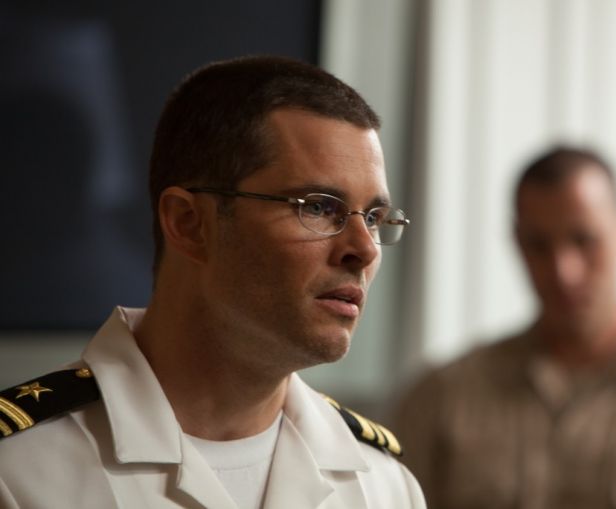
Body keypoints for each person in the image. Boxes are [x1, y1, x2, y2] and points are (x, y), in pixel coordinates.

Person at [0, 56, 425, 508]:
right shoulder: (18, 470)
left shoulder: (385, 486)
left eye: (374, 218)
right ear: (188, 223)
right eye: (318, 207)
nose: (365, 249)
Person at [394, 146, 616, 509]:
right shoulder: (441, 402)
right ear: (518, 243)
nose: (564, 271)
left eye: (584, 240)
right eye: (539, 245)